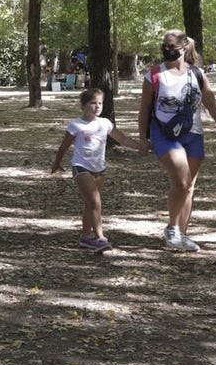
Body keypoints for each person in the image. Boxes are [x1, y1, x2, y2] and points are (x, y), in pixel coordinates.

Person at [137, 30, 216, 252]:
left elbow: (211, 102)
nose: (167, 50)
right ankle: (172, 228)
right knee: (182, 181)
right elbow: (145, 108)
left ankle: (182, 234)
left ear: (184, 48)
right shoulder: (154, 75)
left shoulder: (197, 74)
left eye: (171, 46)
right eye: (164, 46)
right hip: (164, 133)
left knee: (188, 186)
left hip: (193, 133)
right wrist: (142, 137)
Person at [52, 88, 149, 252]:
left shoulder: (105, 123)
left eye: (100, 103)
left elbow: (122, 139)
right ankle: (100, 238)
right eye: (93, 103)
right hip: (81, 166)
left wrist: (140, 146)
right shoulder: (76, 125)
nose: (97, 106)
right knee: (95, 202)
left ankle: (85, 237)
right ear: (83, 105)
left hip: (99, 168)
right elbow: (64, 146)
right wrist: (57, 163)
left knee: (90, 203)